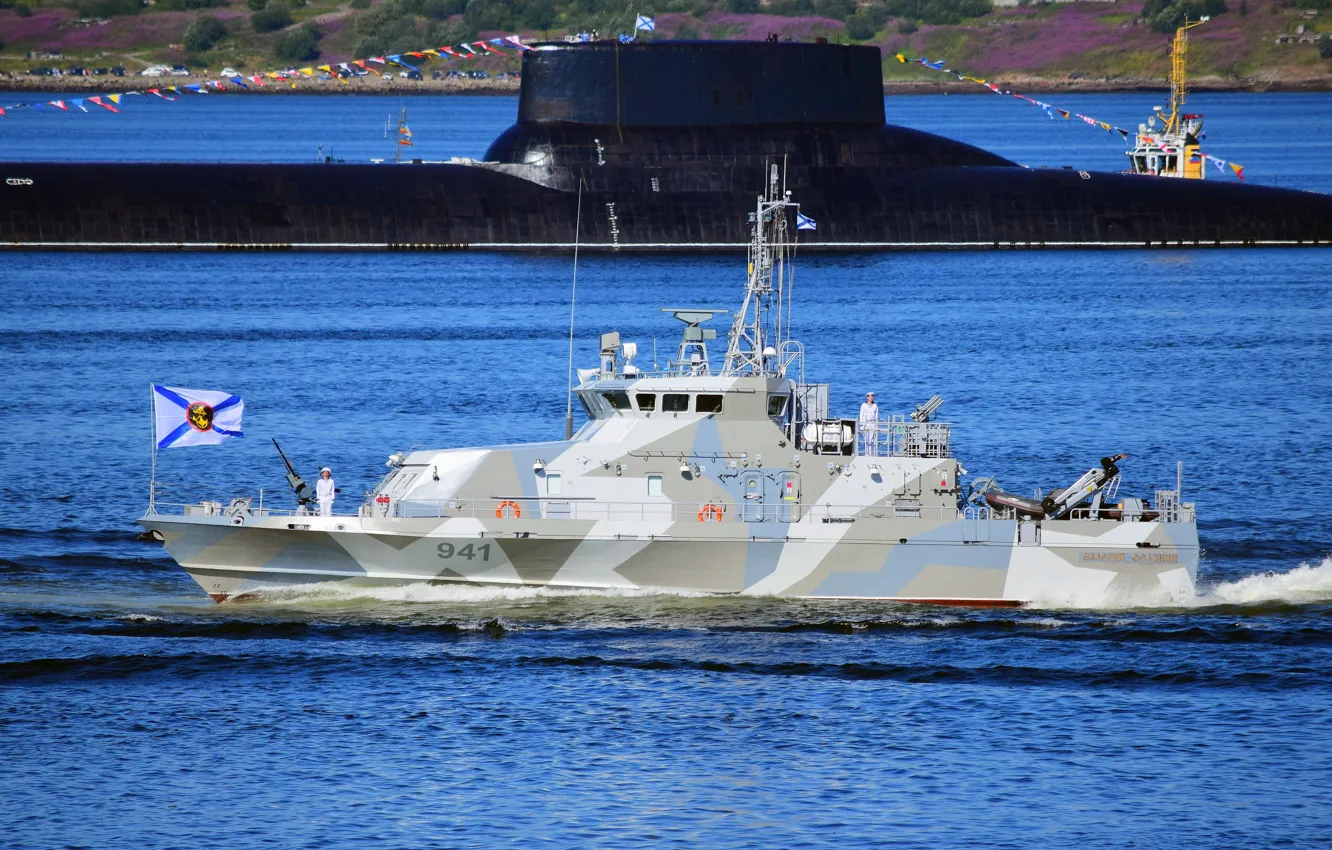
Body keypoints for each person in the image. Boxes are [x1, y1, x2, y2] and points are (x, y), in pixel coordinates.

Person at [858, 392, 879, 457]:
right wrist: (862, 425)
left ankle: (871, 453)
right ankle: (866, 453)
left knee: (871, 439)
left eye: (872, 396)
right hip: (866, 424)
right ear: (867, 397)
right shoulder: (863, 405)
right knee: (866, 439)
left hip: (872, 424)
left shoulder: (875, 405)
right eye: (870, 396)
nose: (871, 397)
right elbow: (861, 415)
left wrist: (877, 425)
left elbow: (876, 416)